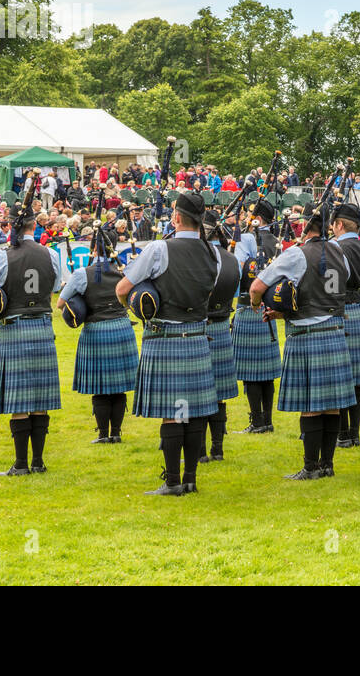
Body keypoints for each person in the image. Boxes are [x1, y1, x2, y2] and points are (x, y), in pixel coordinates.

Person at [116, 192, 220, 496]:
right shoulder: (213, 253)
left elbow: (123, 288)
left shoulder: (160, 248)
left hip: (165, 336)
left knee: (173, 412)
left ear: (176, 217)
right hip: (198, 336)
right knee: (194, 411)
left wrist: (139, 306)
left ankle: (173, 482)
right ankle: (190, 479)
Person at [251, 205, 354, 480]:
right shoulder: (340, 253)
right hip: (334, 330)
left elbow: (256, 287)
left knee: (310, 403)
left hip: (307, 335)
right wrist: (286, 310)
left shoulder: (295, 253)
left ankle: (310, 467)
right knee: (331, 403)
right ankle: (327, 465)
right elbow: (329, 288)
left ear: (307, 227)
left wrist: (259, 304)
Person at [0, 198, 63, 476]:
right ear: (35, 225)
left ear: (11, 226)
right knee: (41, 398)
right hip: (43, 327)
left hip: (14, 327)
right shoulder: (51, 254)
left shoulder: (1, 256)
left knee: (19, 400)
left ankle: (20, 464)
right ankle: (39, 462)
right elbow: (54, 287)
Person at [55, 228, 137, 444]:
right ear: (114, 246)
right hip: (121, 327)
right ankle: (117, 433)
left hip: (96, 329)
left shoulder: (83, 274)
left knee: (100, 386)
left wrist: (78, 298)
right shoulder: (124, 271)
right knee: (118, 386)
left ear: (93, 248)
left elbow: (60, 304)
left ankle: (103, 434)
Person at [231, 201, 283, 433]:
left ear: (257, 219)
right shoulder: (277, 242)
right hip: (270, 309)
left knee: (252, 371)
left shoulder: (247, 239)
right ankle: (267, 421)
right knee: (266, 372)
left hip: (249, 305)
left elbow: (239, 268)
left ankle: (257, 422)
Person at [200, 211, 243, 463]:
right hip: (222, 325)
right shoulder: (232, 259)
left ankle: (200, 451)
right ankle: (217, 448)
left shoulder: (198, 256)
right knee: (218, 394)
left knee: (196, 392)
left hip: (200, 326)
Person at [331, 203, 360, 449]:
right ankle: (354, 435)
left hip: (340, 312)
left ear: (339, 224)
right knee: (356, 378)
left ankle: (343, 434)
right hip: (358, 310)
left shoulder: (336, 248)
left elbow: (332, 286)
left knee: (340, 377)